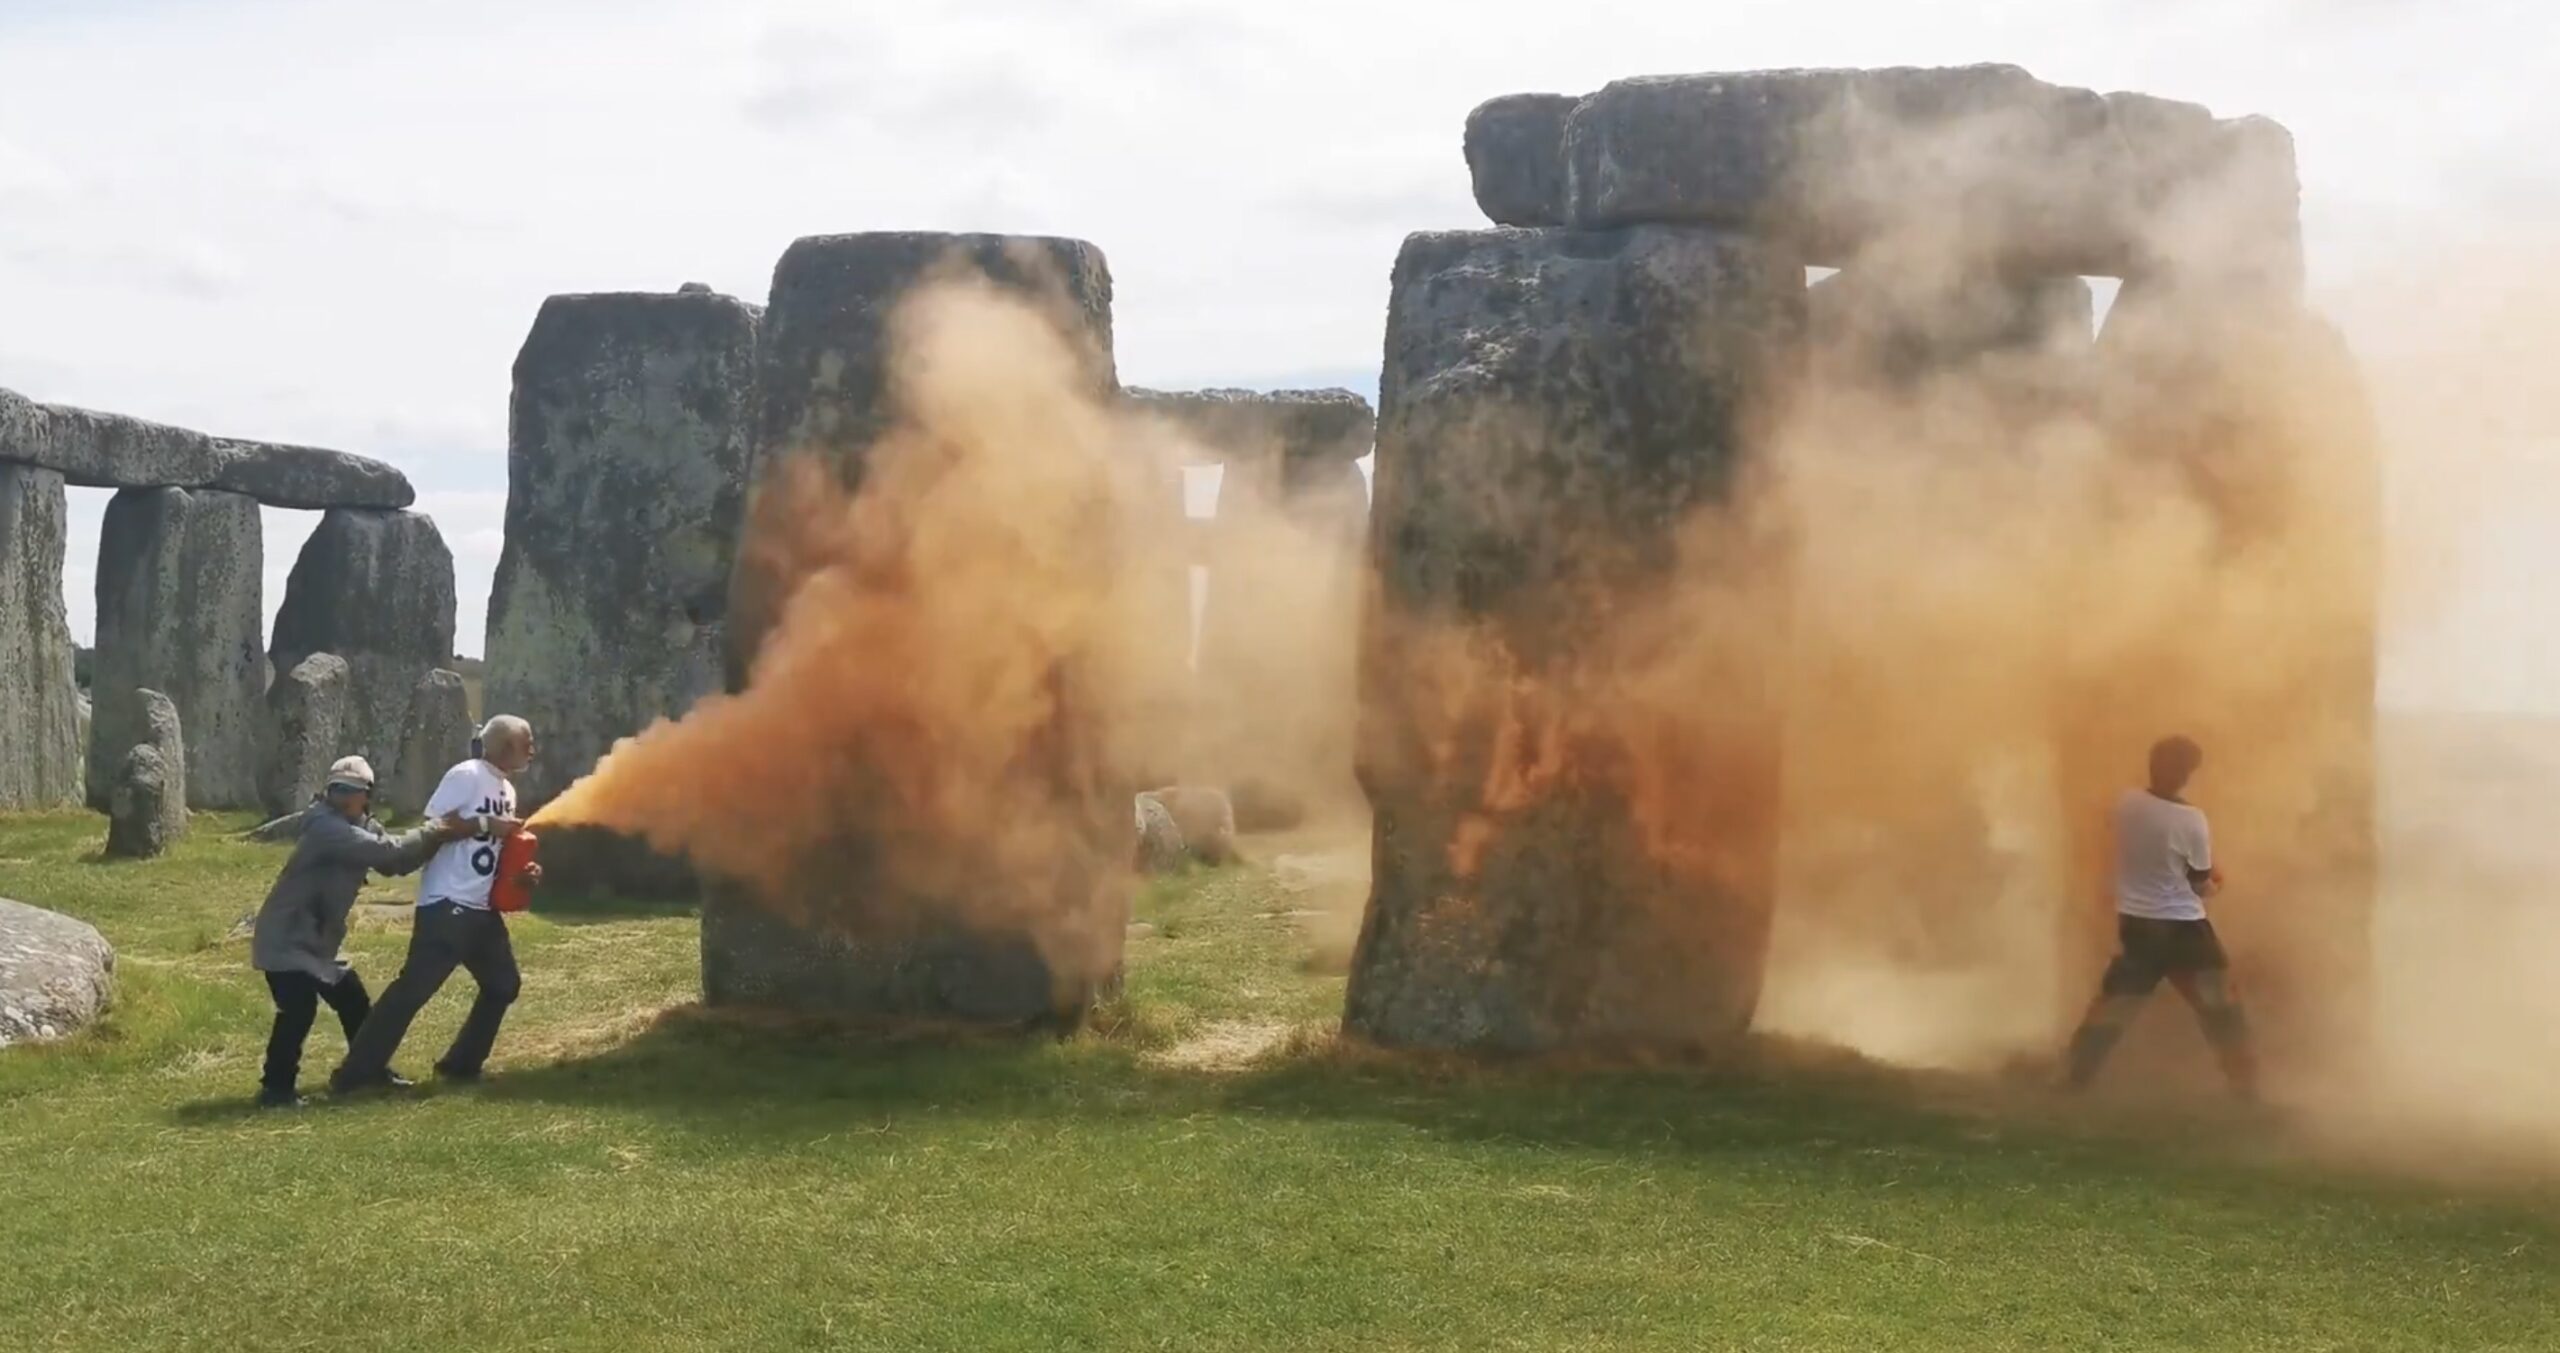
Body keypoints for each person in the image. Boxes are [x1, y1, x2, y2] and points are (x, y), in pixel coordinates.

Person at [330, 716, 543, 1094]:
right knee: (412, 991)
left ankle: (460, 1065)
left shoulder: (507, 789)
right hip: (447, 904)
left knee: (503, 985)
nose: (532, 750)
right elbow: (436, 826)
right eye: (527, 742)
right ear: (506, 744)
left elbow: (491, 849)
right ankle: (355, 1074)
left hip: (481, 908)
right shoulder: (466, 774)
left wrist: (521, 872)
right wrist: (483, 824)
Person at [248, 757, 471, 1108]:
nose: (342, 796)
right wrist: (438, 829)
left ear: (365, 795)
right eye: (337, 788)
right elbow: (385, 850)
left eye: (351, 790)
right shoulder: (325, 825)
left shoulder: (361, 824)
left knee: (353, 1000)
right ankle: (276, 1089)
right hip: (286, 937)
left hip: (316, 942)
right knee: (298, 1010)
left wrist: (441, 839)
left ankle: (367, 1068)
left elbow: (395, 863)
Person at [2060, 735, 2258, 1099]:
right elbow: (2201, 883)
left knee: (2114, 1006)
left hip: (2137, 925)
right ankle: (2245, 1089)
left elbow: (2130, 841)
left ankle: (2072, 1081)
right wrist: (2218, 881)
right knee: (2221, 1008)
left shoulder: (2127, 804)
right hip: (2184, 927)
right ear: (2187, 773)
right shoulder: (2192, 820)